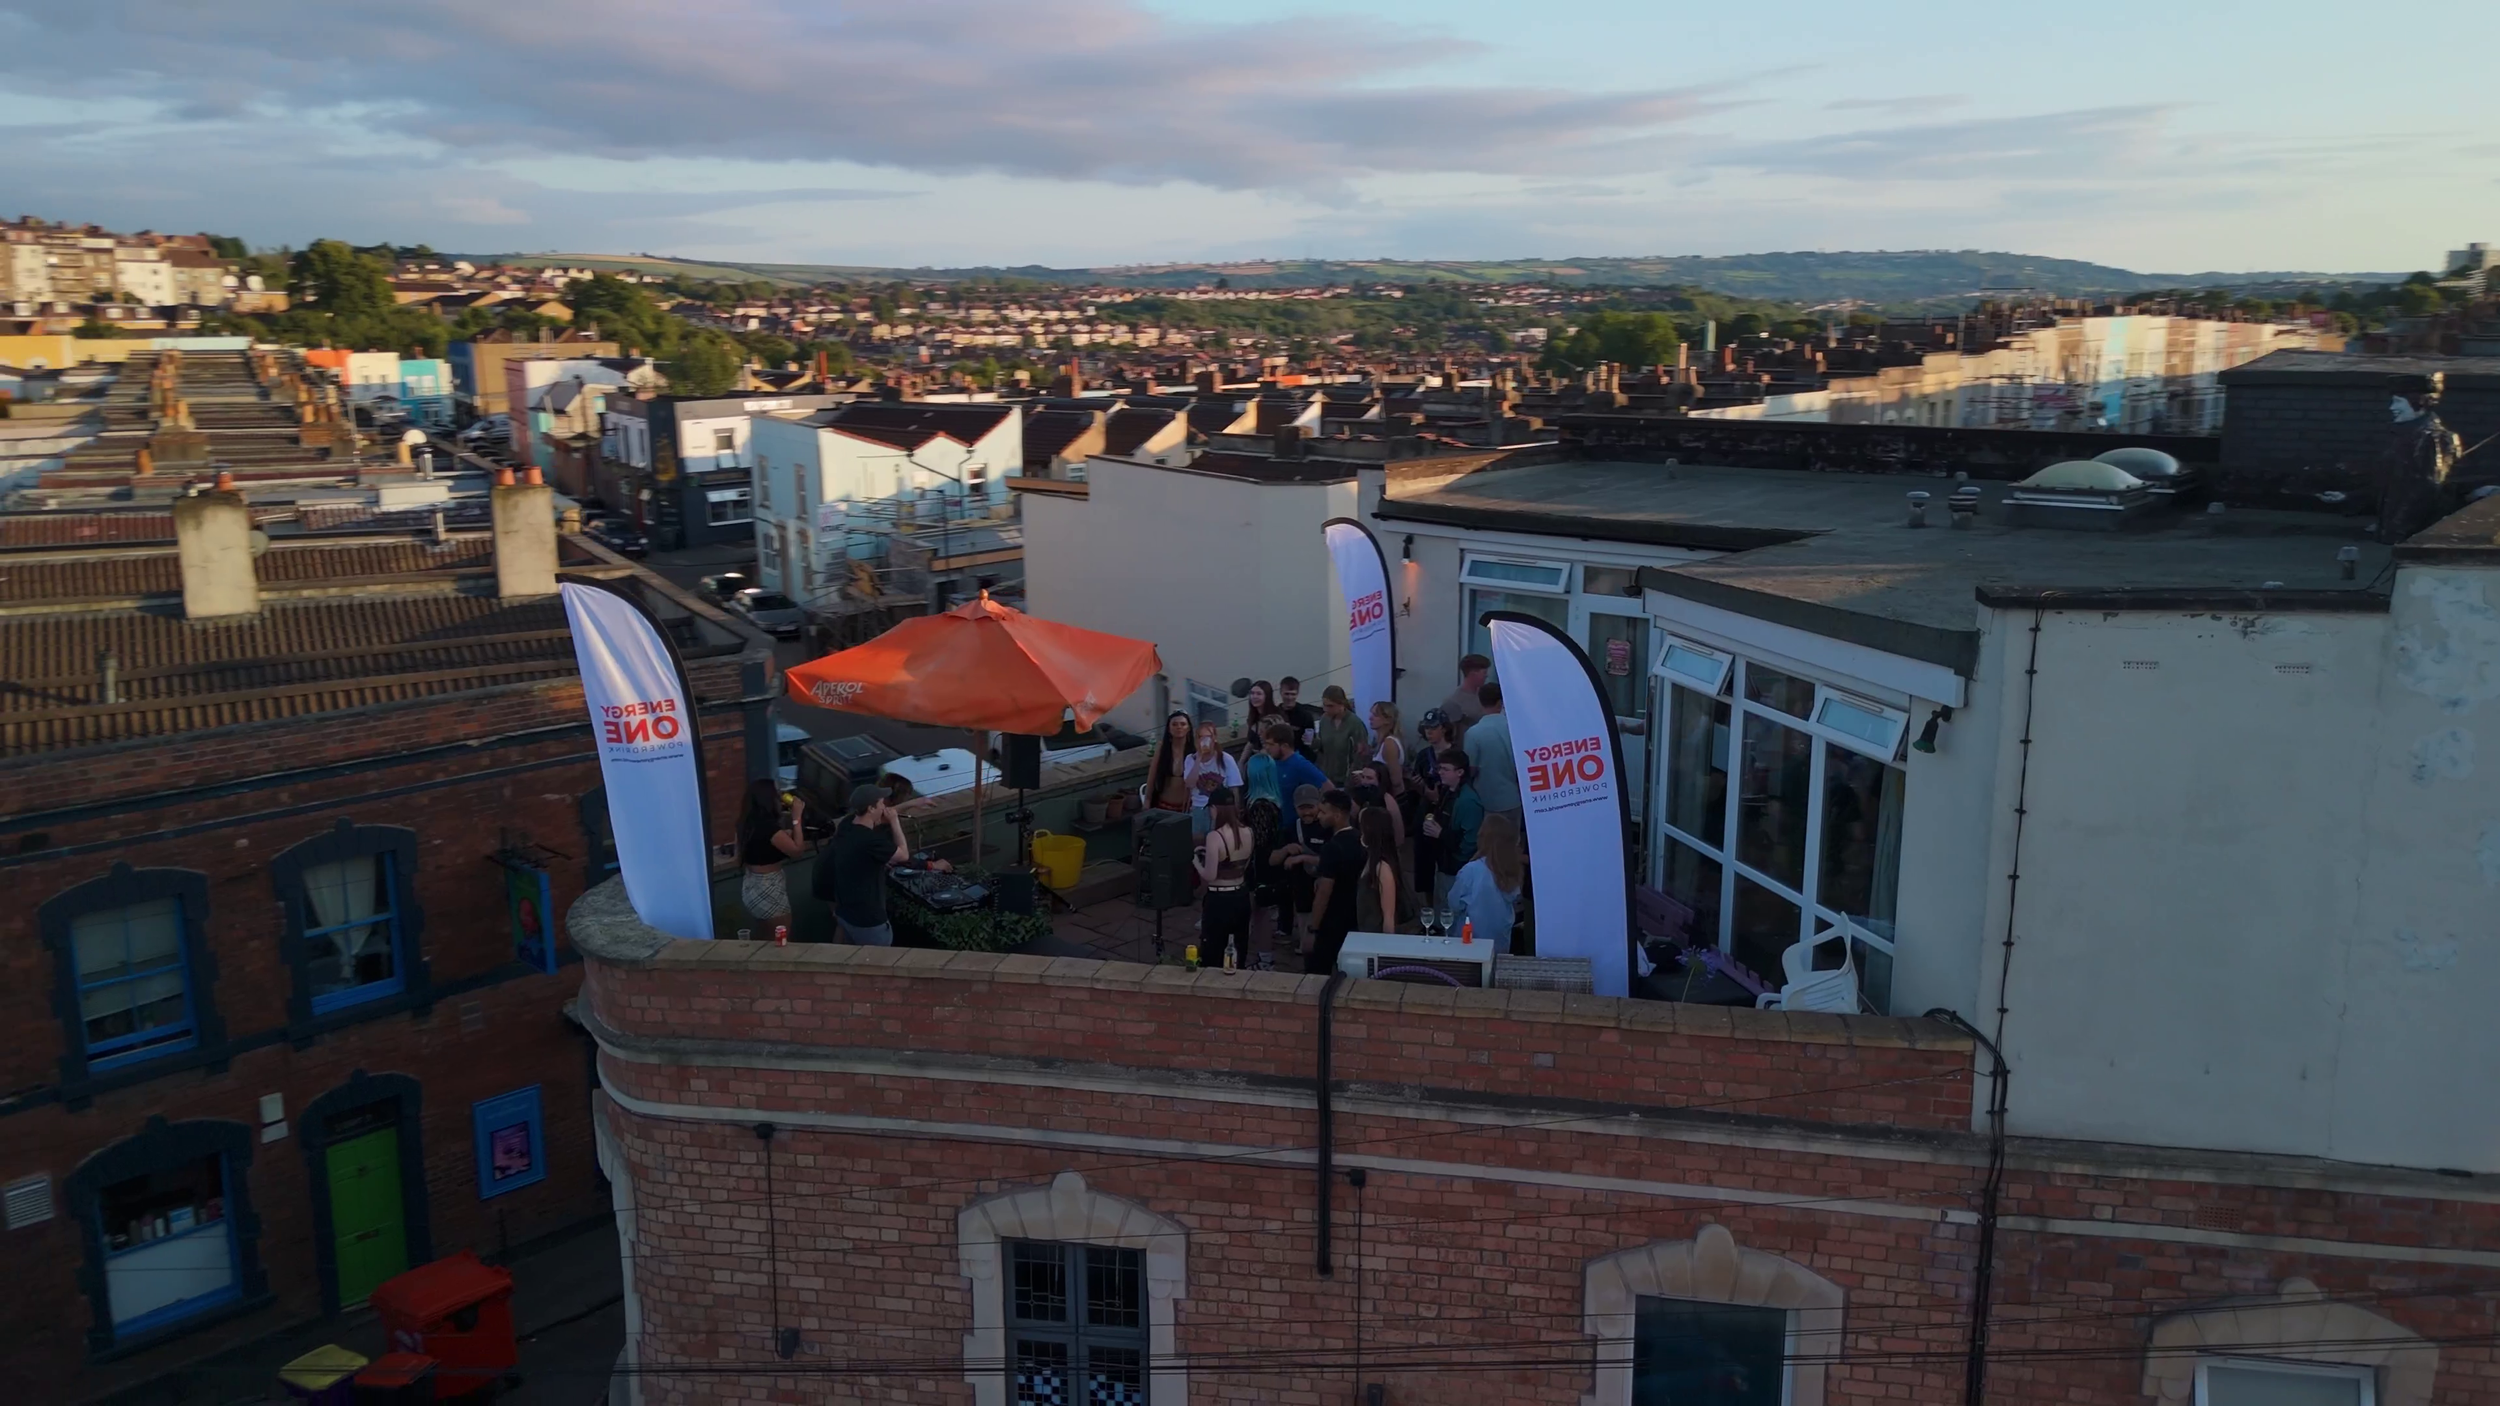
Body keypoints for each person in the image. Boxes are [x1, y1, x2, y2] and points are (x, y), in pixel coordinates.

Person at [812, 785, 948, 945]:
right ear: (870, 808)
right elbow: (903, 855)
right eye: (882, 803)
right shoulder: (871, 841)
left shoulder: (848, 824)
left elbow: (882, 814)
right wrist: (895, 822)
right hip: (867, 918)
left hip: (845, 911)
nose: (885, 807)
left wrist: (914, 803)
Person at [1447, 811, 1526, 953]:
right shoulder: (1513, 871)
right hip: (1499, 944)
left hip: (1470, 945)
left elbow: (1453, 903)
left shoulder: (1471, 870)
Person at [1306, 789, 1366, 974]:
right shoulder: (1361, 839)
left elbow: (1324, 891)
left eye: (1324, 812)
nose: (1319, 816)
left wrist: (1312, 928)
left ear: (1337, 815)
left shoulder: (1333, 847)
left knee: (1316, 973)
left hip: (1332, 920)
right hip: (1356, 916)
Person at [1268, 783, 1331, 955]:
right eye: (1302, 808)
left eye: (1310, 807)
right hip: (1300, 887)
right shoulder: (1290, 828)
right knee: (1304, 916)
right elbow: (1272, 860)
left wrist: (1303, 857)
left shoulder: (1327, 827)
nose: (1307, 813)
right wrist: (1286, 850)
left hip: (1324, 885)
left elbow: (1333, 861)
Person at [736, 778, 807, 929]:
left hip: (750, 884)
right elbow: (797, 851)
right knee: (781, 935)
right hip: (769, 886)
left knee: (765, 936)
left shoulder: (745, 823)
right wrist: (796, 819)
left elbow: (741, 856)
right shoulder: (768, 828)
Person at [1196, 787, 1256, 965]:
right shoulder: (1249, 831)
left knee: (1213, 950)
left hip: (1219, 900)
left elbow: (1210, 875)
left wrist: (1196, 862)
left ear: (1215, 809)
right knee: (1239, 946)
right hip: (1241, 897)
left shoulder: (1215, 836)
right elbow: (1240, 865)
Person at [1423, 754, 1485, 907]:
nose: (1440, 772)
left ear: (1460, 772)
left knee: (1451, 909)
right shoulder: (1447, 791)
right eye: (1439, 769)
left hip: (1456, 869)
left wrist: (1441, 834)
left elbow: (1470, 843)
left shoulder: (1468, 802)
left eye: (1445, 769)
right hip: (1443, 863)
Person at [1408, 708, 1456, 900]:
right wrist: (1421, 790)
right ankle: (1428, 910)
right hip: (1426, 811)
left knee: (1447, 861)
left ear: (1444, 728)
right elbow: (1416, 786)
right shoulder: (1423, 755)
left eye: (1433, 727)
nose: (1429, 731)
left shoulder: (1456, 753)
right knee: (1424, 863)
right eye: (1426, 728)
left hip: (1448, 812)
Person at [1462, 679, 1521, 825]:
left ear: (1480, 701)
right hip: (1514, 798)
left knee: (1488, 842)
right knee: (1512, 842)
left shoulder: (1473, 734)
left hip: (1485, 800)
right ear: (1500, 702)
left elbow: (1471, 769)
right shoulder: (1516, 729)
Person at [1354, 804, 1415, 936]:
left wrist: (1386, 950)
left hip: (1376, 940)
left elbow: (1389, 918)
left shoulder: (1383, 868)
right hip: (1366, 935)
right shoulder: (1370, 860)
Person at [1182, 725, 1244, 835]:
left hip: (1221, 808)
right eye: (1200, 737)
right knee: (1199, 842)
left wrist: (1235, 812)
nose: (1205, 740)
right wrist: (1199, 759)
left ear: (1214, 738)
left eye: (1208, 737)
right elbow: (1189, 784)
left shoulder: (1225, 759)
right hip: (1199, 807)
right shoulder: (1190, 759)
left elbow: (1234, 788)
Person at [1142, 710, 1194, 818]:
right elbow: (1152, 776)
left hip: (1187, 807)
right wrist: (1147, 800)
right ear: (1169, 728)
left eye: (1183, 724)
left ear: (1188, 728)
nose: (1179, 727)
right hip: (1164, 806)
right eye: (1174, 724)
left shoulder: (1194, 750)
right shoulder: (1163, 748)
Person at [1262, 721, 1329, 802]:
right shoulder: (1271, 763)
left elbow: (1328, 788)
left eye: (1271, 744)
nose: (1267, 748)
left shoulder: (1300, 765)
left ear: (1284, 746)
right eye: (1266, 744)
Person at [1313, 684, 1366, 784]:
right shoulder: (1324, 720)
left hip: (1346, 780)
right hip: (1326, 778)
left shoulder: (1355, 724)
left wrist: (1352, 778)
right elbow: (1323, 747)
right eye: (1324, 705)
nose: (1326, 709)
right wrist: (1313, 742)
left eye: (1330, 706)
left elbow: (1361, 756)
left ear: (1341, 704)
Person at [1442, 654, 1491, 745]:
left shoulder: (1486, 695)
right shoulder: (1453, 701)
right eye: (1484, 673)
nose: (1486, 676)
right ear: (1473, 673)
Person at [1277, 677, 1319, 755]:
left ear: (1297, 693)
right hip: (1278, 759)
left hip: (1299, 758)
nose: (1290, 698)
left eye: (1293, 694)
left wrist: (1311, 741)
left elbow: (1311, 744)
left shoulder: (1305, 715)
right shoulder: (1275, 713)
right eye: (1286, 694)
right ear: (1280, 692)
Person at [1368, 700, 1405, 782]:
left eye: (1375, 715)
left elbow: (1396, 780)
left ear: (1388, 720)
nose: (1370, 718)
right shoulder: (1380, 741)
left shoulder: (1389, 743)